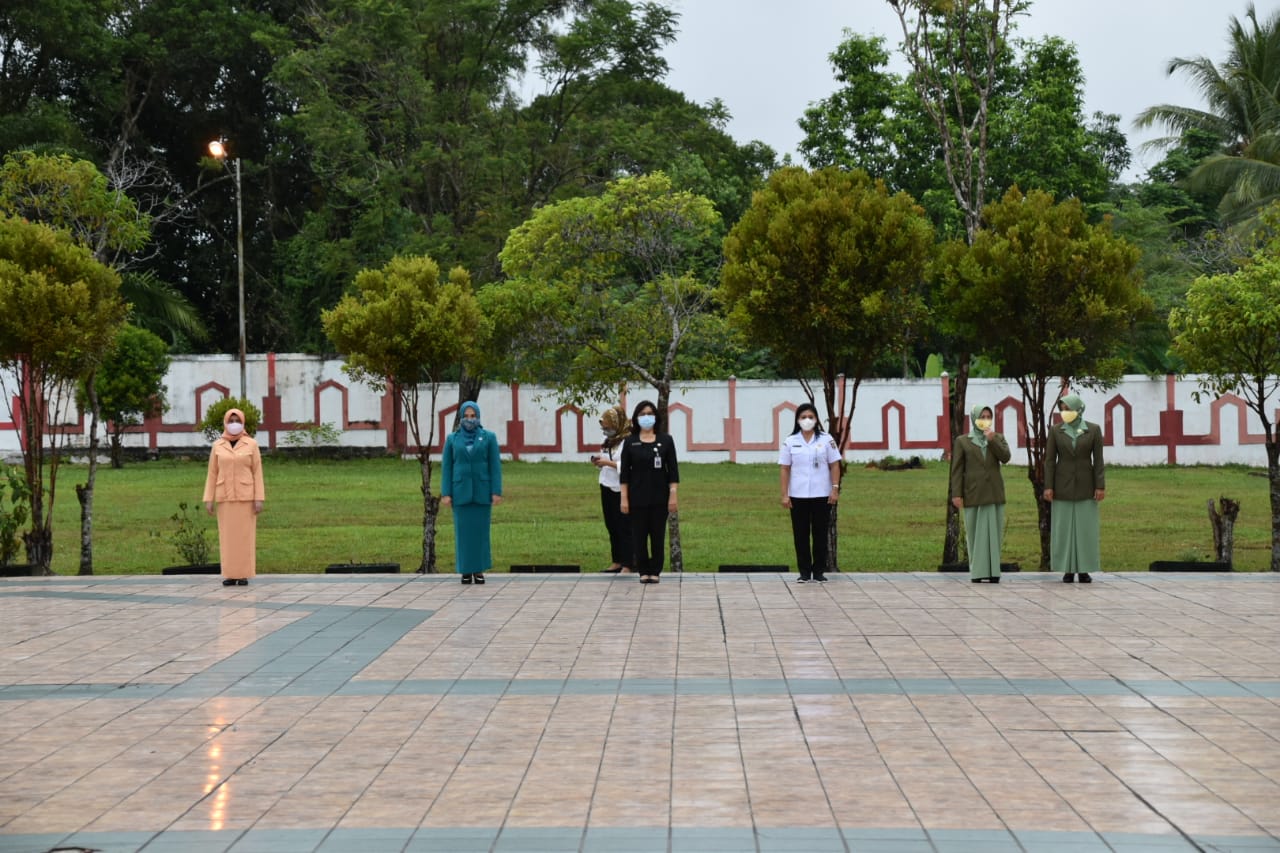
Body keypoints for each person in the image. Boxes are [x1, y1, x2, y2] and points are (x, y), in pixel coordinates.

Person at [1043, 394, 1106, 583]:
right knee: (1064, 528)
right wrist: (1048, 486)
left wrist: (1100, 485)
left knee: (1084, 529)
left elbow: (1098, 460)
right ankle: (1067, 569)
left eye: (1068, 409)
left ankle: (1084, 569)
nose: (1065, 412)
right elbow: (1049, 461)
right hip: (1061, 486)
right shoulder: (1056, 431)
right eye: (1062, 409)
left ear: (1078, 409)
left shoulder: (1093, 430)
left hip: (1086, 485)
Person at [441, 401, 503, 585]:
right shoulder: (452, 439)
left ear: (478, 416)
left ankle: (479, 569)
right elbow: (447, 467)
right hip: (460, 493)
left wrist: (496, 491)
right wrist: (446, 493)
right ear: (461, 417)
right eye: (466, 416)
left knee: (481, 533)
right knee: (463, 534)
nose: (470, 419)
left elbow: (495, 466)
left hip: (482, 492)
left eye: (473, 415)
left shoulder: (489, 437)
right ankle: (465, 571)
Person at [779, 402, 841, 583]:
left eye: (811, 417)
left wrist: (835, 488)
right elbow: (784, 468)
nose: (807, 420)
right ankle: (804, 572)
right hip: (798, 495)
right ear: (797, 420)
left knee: (820, 533)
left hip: (822, 494)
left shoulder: (826, 440)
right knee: (801, 534)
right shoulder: (790, 441)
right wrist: (784, 494)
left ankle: (819, 572)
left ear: (816, 420)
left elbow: (835, 464)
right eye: (803, 417)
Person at [618, 400, 679, 584]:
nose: (646, 417)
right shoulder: (630, 442)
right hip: (636, 497)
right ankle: (643, 570)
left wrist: (673, 494)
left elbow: (673, 471)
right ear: (636, 418)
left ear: (656, 417)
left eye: (649, 413)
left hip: (660, 497)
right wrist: (624, 498)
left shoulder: (666, 440)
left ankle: (655, 570)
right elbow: (625, 474)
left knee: (657, 534)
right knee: (639, 535)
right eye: (642, 414)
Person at [202, 408, 264, 587]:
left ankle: (243, 574)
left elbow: (257, 472)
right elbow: (212, 473)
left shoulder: (251, 444)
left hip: (246, 497)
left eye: (237, 420)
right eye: (231, 420)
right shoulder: (218, 446)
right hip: (225, 497)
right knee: (228, 538)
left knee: (244, 537)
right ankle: (229, 574)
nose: (234, 424)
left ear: (243, 423)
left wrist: (258, 498)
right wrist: (209, 498)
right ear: (225, 423)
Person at [949, 403, 1010, 584]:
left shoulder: (998, 437)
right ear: (974, 418)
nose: (985, 420)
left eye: (987, 417)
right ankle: (977, 571)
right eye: (981, 417)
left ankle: (993, 572)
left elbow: (1005, 457)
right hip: (973, 493)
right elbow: (957, 470)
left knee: (993, 533)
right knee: (975, 534)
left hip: (994, 492)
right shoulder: (963, 441)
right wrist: (956, 494)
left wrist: (992, 439)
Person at [592, 404, 634, 575]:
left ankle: (629, 563)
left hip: (622, 488)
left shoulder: (629, 441)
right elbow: (607, 460)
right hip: (607, 485)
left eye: (608, 426)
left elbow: (629, 465)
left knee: (625, 526)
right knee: (612, 525)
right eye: (604, 427)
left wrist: (607, 463)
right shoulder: (610, 441)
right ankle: (616, 561)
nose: (606, 430)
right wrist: (598, 461)